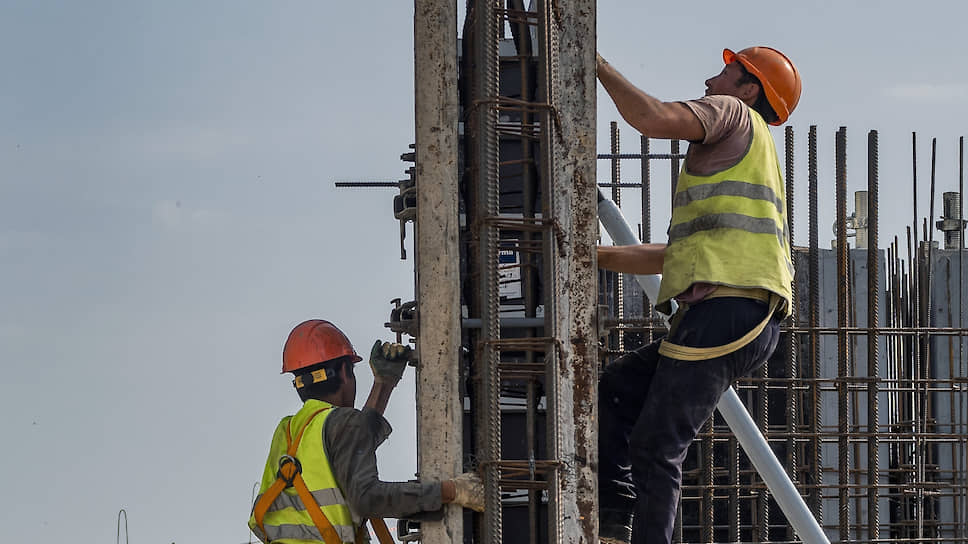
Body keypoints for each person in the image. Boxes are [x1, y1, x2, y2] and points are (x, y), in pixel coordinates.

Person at [594, 47, 801, 544]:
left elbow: (652, 118)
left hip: (730, 311)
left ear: (749, 90)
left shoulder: (731, 113)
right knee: (617, 390)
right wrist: (591, 256)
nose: (710, 80)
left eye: (726, 73)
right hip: (736, 314)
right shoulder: (753, 155)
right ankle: (613, 518)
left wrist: (594, 63)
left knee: (658, 443)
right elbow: (676, 254)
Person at [248, 319, 484, 544]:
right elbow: (367, 498)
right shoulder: (337, 424)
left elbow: (352, 441)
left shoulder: (287, 431)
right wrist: (454, 491)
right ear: (343, 371)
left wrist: (384, 383)